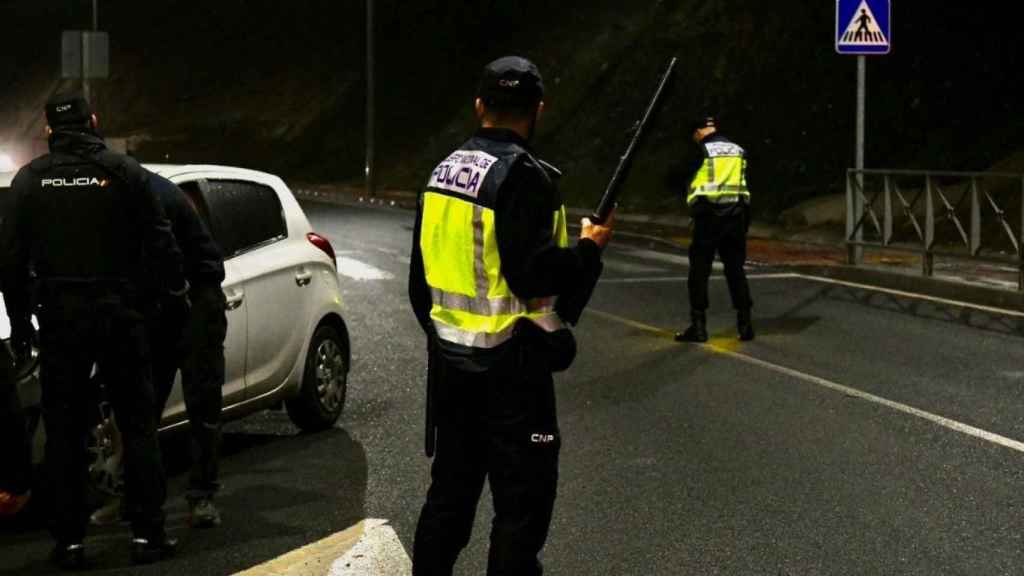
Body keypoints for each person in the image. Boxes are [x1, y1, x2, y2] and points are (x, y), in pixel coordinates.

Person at [408, 56, 613, 576]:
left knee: (448, 504)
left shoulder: (440, 173)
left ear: (480, 107)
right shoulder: (524, 178)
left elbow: (419, 285)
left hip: (453, 371)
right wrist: (588, 250)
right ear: (537, 110)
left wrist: (451, 338)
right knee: (520, 513)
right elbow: (536, 275)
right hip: (513, 381)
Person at [0, 91, 187, 568]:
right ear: (94, 121)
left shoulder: (30, 181)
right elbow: (163, 244)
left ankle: (69, 542)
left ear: (48, 130)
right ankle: (148, 535)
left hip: (61, 320)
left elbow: (11, 262)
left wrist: (22, 324)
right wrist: (163, 303)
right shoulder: (124, 173)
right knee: (138, 426)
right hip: (122, 315)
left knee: (64, 431)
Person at [148, 171, 227, 528]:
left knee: (202, 404)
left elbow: (184, 258)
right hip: (167, 303)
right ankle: (142, 499)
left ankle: (202, 495)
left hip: (197, 300)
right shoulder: (136, 189)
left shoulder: (150, 194)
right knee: (144, 407)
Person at [675, 115, 754, 343]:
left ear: (699, 132)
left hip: (708, 219)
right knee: (735, 271)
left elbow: (679, 177)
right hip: (735, 218)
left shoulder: (701, 150)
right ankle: (745, 324)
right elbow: (745, 185)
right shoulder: (738, 150)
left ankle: (698, 326)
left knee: (699, 272)